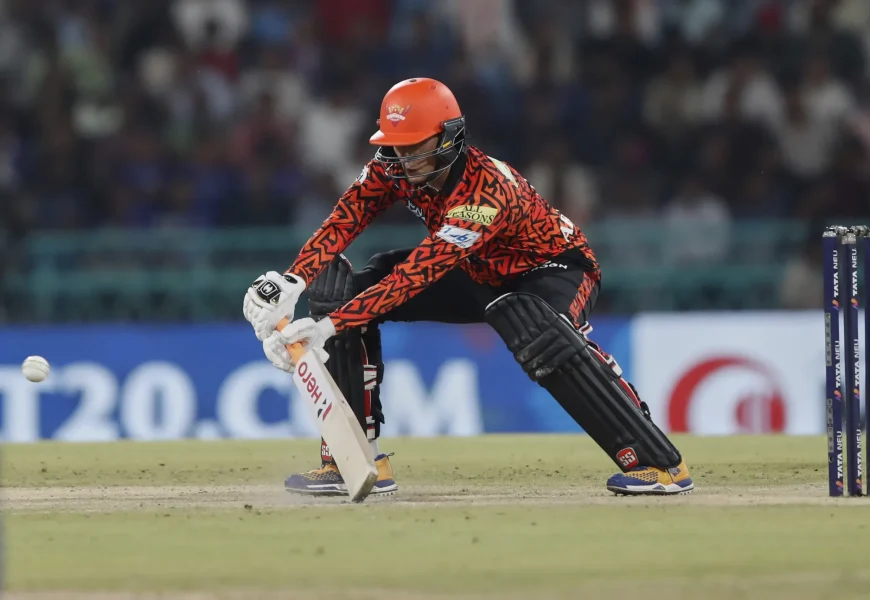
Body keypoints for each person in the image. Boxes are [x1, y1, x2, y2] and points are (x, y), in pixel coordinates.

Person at [242, 78, 694, 497]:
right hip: (475, 270)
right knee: (340, 291)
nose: (403, 160)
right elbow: (346, 217)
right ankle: (353, 462)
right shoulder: (393, 166)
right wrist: (292, 280)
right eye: (395, 147)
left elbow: (418, 273)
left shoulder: (485, 192)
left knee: (537, 328)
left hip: (552, 268)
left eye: (415, 147)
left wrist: (326, 328)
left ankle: (659, 465)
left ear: (450, 137)